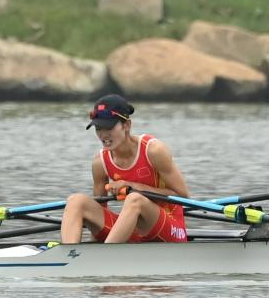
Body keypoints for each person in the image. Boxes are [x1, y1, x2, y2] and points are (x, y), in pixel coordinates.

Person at [60, 94, 190, 244]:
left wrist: (133, 187)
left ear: (127, 125)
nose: (103, 135)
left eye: (108, 127)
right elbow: (99, 211)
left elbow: (183, 196)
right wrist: (94, 243)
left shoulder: (154, 150)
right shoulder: (99, 162)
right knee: (76, 201)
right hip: (132, 232)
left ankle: (107, 256)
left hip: (171, 229)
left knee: (135, 199)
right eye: (98, 128)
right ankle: (70, 255)